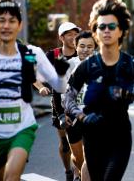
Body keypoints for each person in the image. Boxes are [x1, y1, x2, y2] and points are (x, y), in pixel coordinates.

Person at [0, 0, 69, 180]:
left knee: (11, 178)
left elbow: (59, 87)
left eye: (12, 21)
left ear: (19, 25)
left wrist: (61, 74)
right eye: (1, 20)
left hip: (21, 128)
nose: (6, 25)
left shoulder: (32, 53)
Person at [64, 0, 134, 181]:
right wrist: (81, 116)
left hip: (120, 135)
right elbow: (68, 98)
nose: (106, 30)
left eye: (112, 26)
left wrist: (128, 94)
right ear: (95, 31)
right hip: (93, 135)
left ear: (121, 31)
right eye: (101, 27)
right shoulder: (87, 66)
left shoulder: (130, 64)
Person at [46, 21, 80, 181]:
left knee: (81, 142)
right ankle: (68, 170)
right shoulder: (53, 55)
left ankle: (79, 172)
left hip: (80, 104)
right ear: (61, 37)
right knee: (65, 143)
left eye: (75, 34)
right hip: (59, 103)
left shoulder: (83, 53)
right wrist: (40, 86)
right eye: (69, 34)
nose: (73, 37)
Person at [64, 31, 97, 181]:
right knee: (78, 158)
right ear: (75, 47)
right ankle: (76, 170)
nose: (85, 49)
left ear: (95, 48)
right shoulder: (68, 65)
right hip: (72, 117)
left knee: (90, 158)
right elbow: (57, 92)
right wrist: (60, 114)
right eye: (82, 46)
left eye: (90, 46)